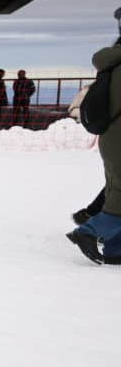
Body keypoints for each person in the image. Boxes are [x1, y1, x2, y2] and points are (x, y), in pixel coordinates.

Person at [66, 25, 121, 264]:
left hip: (111, 137)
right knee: (119, 194)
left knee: (115, 190)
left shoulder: (111, 66)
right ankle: (88, 231)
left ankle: (115, 249)